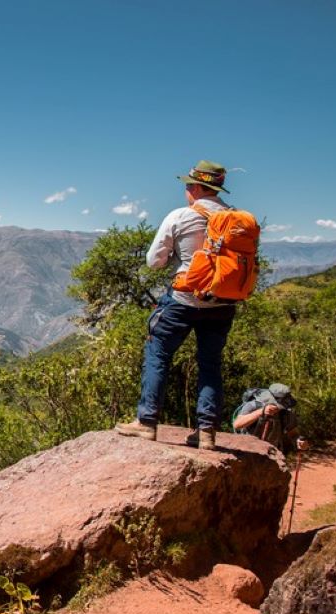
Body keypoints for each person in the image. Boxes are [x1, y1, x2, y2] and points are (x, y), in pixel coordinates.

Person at [115, 160, 239, 450]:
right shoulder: (236, 219)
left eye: (187, 185)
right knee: (210, 364)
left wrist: (179, 259)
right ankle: (206, 432)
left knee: (157, 353)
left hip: (183, 299)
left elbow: (154, 261)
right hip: (222, 303)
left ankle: (146, 423)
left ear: (197, 187)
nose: (185, 190)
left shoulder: (181, 216)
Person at [233, 383, 298, 452]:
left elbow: (293, 433)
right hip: (248, 450)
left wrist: (298, 440)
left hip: (272, 453)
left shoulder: (286, 413)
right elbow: (237, 424)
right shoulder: (254, 405)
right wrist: (261, 412)